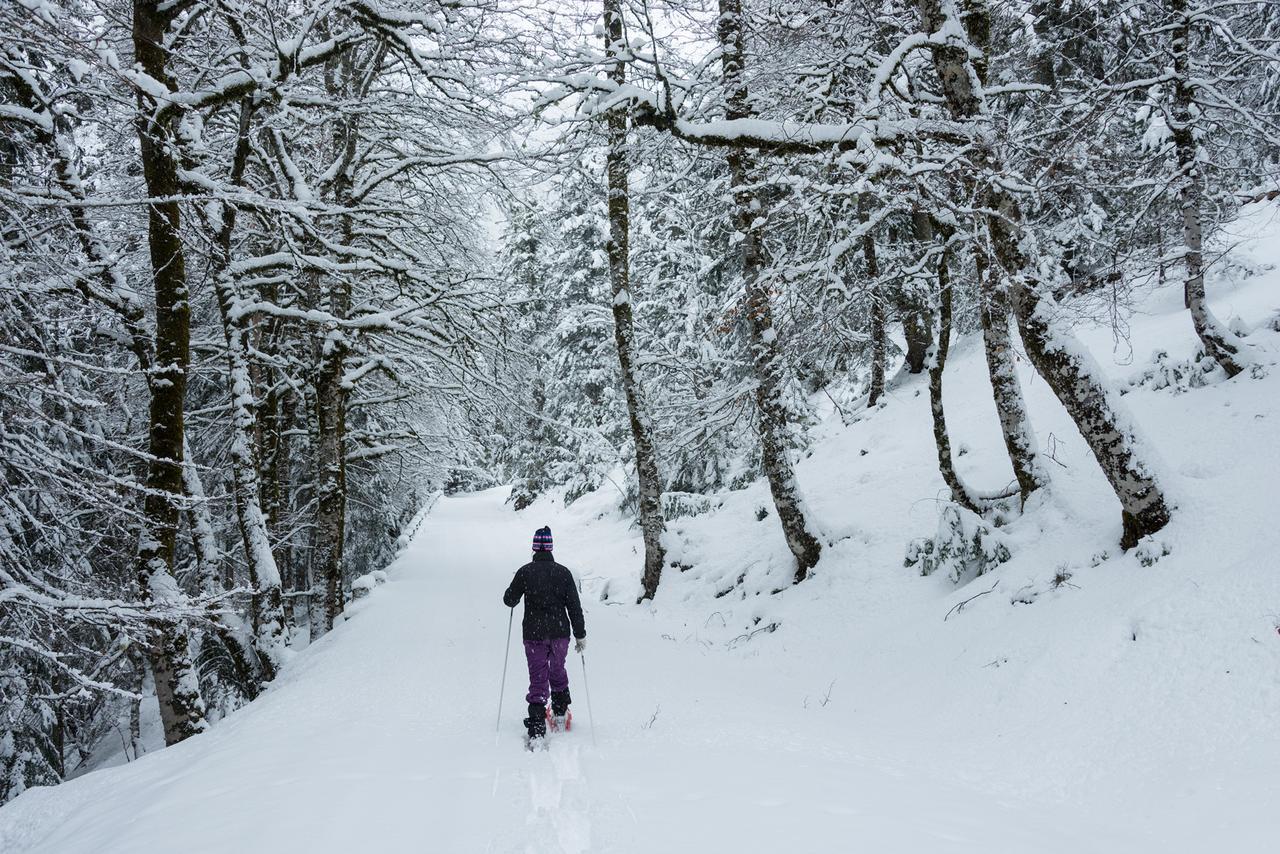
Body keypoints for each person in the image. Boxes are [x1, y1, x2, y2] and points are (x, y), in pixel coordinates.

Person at [502, 525, 586, 743]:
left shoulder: (525, 572)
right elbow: (574, 607)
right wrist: (580, 634)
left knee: (538, 676)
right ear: (550, 548)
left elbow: (509, 600)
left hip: (534, 634)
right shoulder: (563, 573)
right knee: (557, 669)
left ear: (534, 548)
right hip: (560, 634)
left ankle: (537, 724)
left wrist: (515, 590)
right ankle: (560, 711)